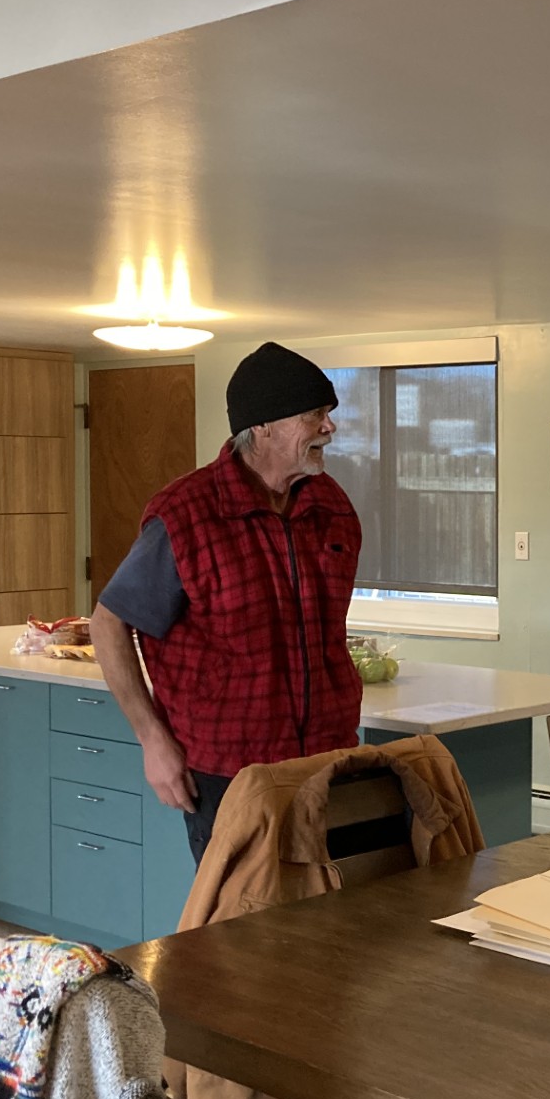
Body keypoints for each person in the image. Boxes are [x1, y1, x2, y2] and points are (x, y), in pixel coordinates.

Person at [92, 342, 364, 864]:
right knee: (242, 925)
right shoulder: (186, 515)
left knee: (339, 919)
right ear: (263, 427)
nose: (330, 428)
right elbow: (109, 624)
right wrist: (153, 740)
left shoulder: (332, 506)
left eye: (329, 414)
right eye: (315, 415)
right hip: (230, 770)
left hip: (330, 756)